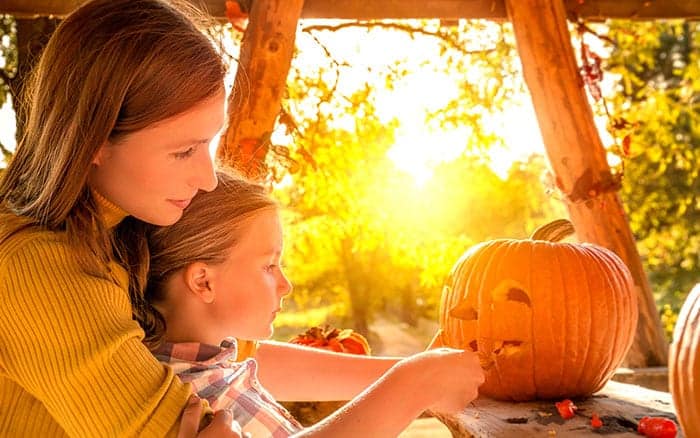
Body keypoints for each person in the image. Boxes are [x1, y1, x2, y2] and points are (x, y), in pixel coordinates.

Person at [0, 0, 241, 436]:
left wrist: (394, 372)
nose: (207, 179)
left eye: (208, 144)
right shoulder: (39, 273)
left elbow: (215, 359)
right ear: (94, 140)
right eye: (183, 151)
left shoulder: (118, 232)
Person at [144, 169, 485, 437]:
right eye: (268, 266)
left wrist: (419, 368)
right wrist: (415, 381)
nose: (286, 285)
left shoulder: (218, 364)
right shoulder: (189, 401)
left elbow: (265, 360)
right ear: (204, 281)